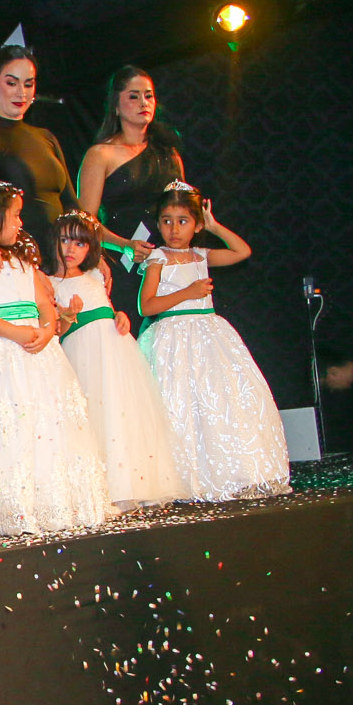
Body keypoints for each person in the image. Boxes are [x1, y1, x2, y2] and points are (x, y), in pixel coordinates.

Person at [0, 180, 111, 539]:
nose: (20, 223)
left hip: (36, 353)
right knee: (1, 427)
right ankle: (4, 506)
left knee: (41, 425)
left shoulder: (22, 261)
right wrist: (14, 333)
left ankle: (48, 502)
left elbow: (45, 304)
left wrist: (47, 329)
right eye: (14, 215)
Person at [138, 187, 290, 502]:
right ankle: (183, 477)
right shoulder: (157, 258)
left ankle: (227, 473)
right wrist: (188, 292)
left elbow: (241, 251)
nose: (174, 229)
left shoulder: (202, 255)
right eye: (166, 221)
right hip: (172, 337)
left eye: (183, 221)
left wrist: (215, 226)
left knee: (218, 400)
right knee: (178, 403)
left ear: (196, 225)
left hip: (208, 335)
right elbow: (146, 305)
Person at [51, 210, 183, 510]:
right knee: (92, 413)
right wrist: (68, 316)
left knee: (122, 412)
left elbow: (107, 309)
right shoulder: (48, 283)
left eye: (80, 243)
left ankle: (133, 482)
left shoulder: (96, 275)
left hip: (115, 349)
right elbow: (57, 330)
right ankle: (102, 487)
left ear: (90, 248)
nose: (71, 249)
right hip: (82, 352)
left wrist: (120, 315)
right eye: (64, 240)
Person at [76, 66, 186, 330]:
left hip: (166, 263)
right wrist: (125, 244)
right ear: (116, 105)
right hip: (122, 263)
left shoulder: (169, 153)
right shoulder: (101, 154)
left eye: (148, 96)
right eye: (133, 96)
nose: (143, 103)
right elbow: (84, 222)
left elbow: (185, 211)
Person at [0, 46, 73, 272]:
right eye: (12, 83)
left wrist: (92, 251)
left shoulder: (46, 137)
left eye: (28, 84)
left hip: (64, 260)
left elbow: (71, 203)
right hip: (16, 263)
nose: (21, 92)